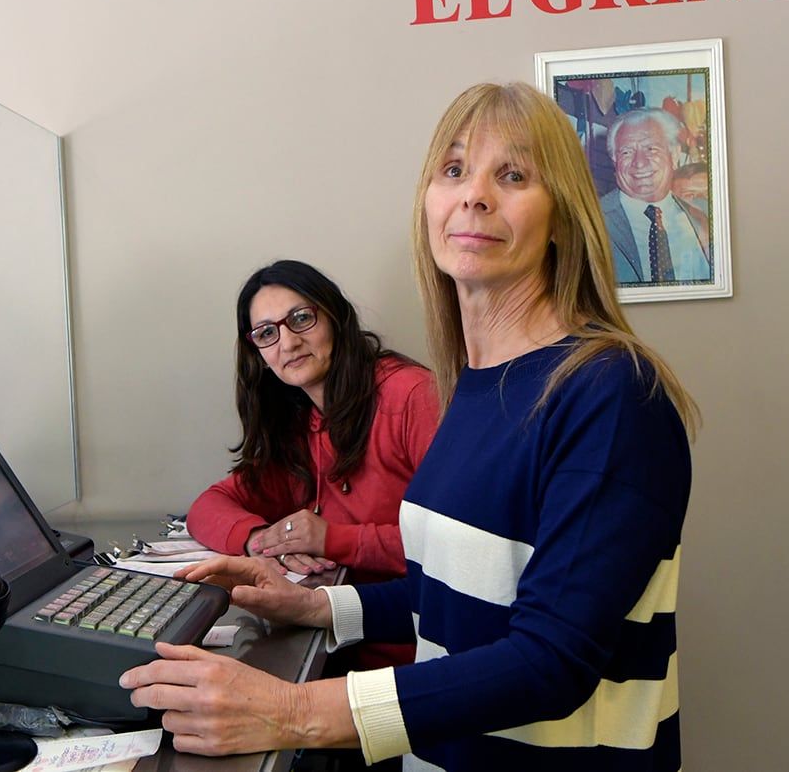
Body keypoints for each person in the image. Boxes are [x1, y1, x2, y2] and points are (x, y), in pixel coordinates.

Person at [120, 82, 698, 771]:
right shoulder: (474, 388)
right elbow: (450, 596)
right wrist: (315, 609)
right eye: (453, 170)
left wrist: (294, 710)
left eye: (511, 175)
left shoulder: (610, 392)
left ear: (564, 218)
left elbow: (551, 661)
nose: (473, 195)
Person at [186, 259, 440, 669]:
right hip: (335, 642)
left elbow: (456, 548)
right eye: (267, 333)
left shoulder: (411, 396)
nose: (287, 343)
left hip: (419, 654)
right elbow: (209, 504)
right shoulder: (297, 421)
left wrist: (332, 539)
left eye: (301, 319)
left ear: (336, 317)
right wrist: (259, 541)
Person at [600, 108, 712, 283]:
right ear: (615, 160)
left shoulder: (705, 214)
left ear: (674, 154)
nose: (639, 163)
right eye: (627, 152)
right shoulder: (589, 221)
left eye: (651, 149)